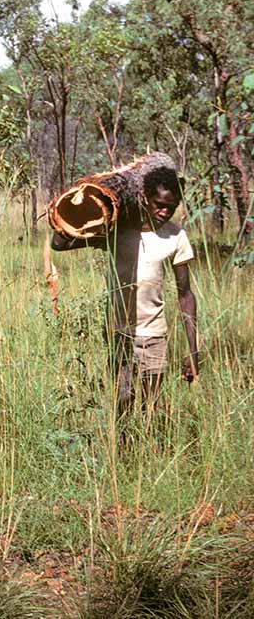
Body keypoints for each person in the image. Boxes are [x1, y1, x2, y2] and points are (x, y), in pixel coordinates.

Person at [51, 165, 198, 434]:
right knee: (123, 401)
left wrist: (193, 350)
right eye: (159, 204)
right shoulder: (118, 229)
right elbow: (59, 245)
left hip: (154, 334)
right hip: (119, 332)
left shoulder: (176, 236)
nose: (164, 212)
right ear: (144, 199)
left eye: (171, 206)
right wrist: (71, 209)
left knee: (152, 403)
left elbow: (185, 294)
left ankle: (152, 454)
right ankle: (124, 455)